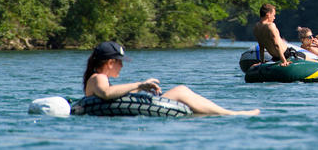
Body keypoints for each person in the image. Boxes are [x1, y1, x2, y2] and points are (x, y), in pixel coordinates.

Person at [83, 41, 258, 116]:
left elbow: (111, 94)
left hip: (125, 107)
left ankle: (220, 112)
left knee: (182, 91)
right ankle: (229, 113)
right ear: (111, 62)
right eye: (120, 62)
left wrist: (141, 89)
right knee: (181, 90)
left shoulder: (97, 77)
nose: (122, 66)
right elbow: (106, 93)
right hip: (114, 110)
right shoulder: (98, 77)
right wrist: (139, 84)